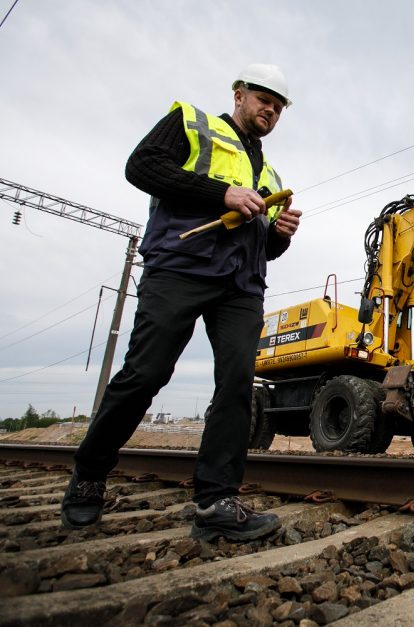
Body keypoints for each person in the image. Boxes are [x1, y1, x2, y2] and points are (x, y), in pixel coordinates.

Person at [61, 64, 302, 542]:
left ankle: (216, 500)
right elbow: (142, 166)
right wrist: (222, 193)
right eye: (262, 98)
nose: (270, 108)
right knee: (146, 372)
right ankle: (89, 473)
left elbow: (264, 247)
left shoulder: (270, 173)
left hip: (241, 286)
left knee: (236, 384)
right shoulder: (192, 122)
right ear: (239, 95)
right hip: (181, 267)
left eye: (278, 104)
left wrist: (279, 234)